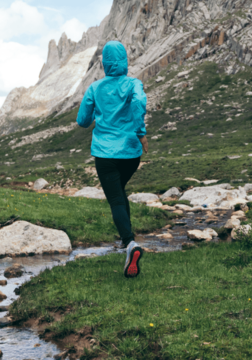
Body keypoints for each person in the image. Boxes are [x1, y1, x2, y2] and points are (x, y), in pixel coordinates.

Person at [75, 40, 148, 278]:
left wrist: (99, 114)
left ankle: (129, 244)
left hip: (105, 154)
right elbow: (138, 102)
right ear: (125, 61)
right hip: (131, 154)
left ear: (104, 64)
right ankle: (128, 242)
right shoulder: (134, 83)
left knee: (116, 199)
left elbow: (82, 121)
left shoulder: (95, 88)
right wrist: (140, 133)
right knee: (119, 194)